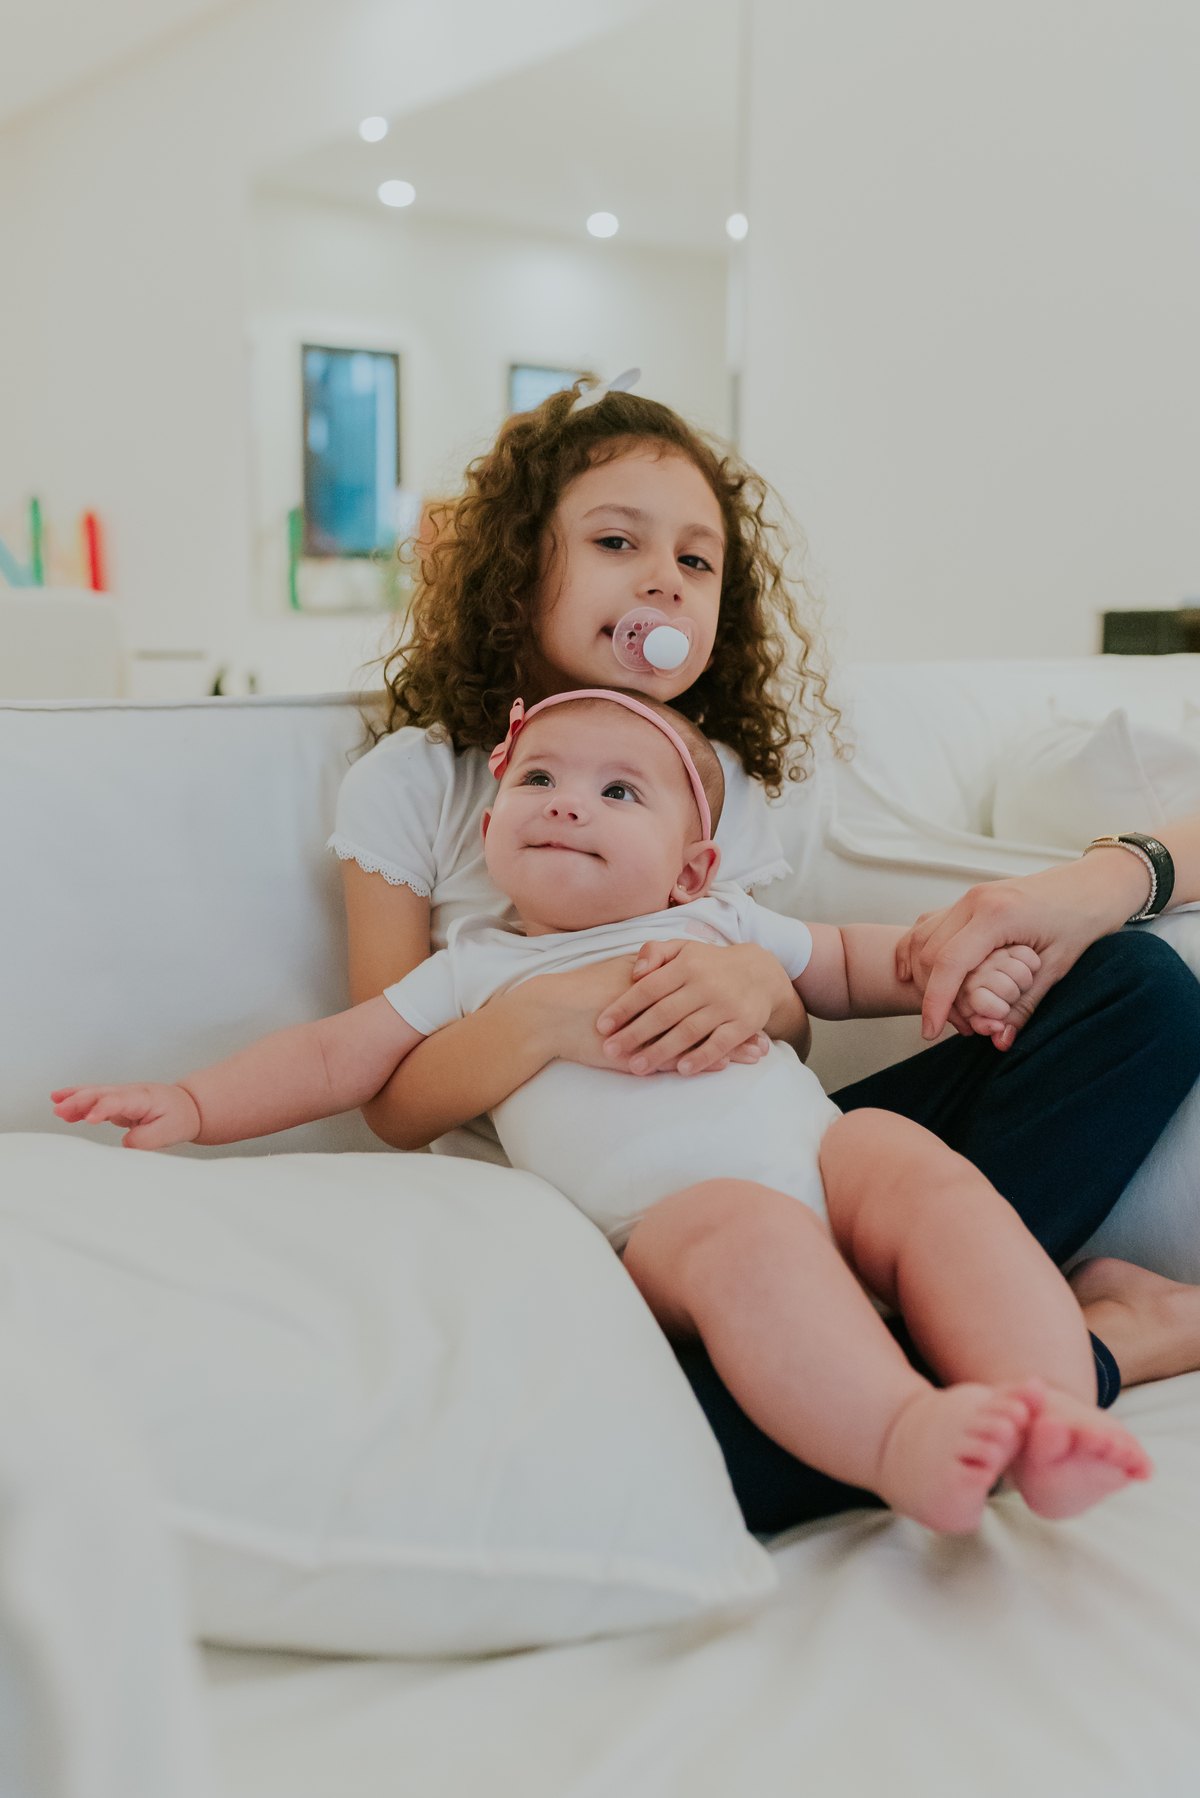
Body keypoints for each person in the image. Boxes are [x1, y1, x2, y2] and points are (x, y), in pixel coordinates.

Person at [50, 691, 1153, 1535]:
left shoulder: (727, 923)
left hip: (826, 1161)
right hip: (664, 1227)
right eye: (537, 780)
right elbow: (342, 1056)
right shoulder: (472, 968)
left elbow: (867, 961)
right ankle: (903, 1433)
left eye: (621, 792)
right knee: (747, 1228)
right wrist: (193, 1100)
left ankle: (1052, 1409)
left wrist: (959, 965)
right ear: (488, 830)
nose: (570, 800)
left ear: (694, 866)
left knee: (915, 1162)